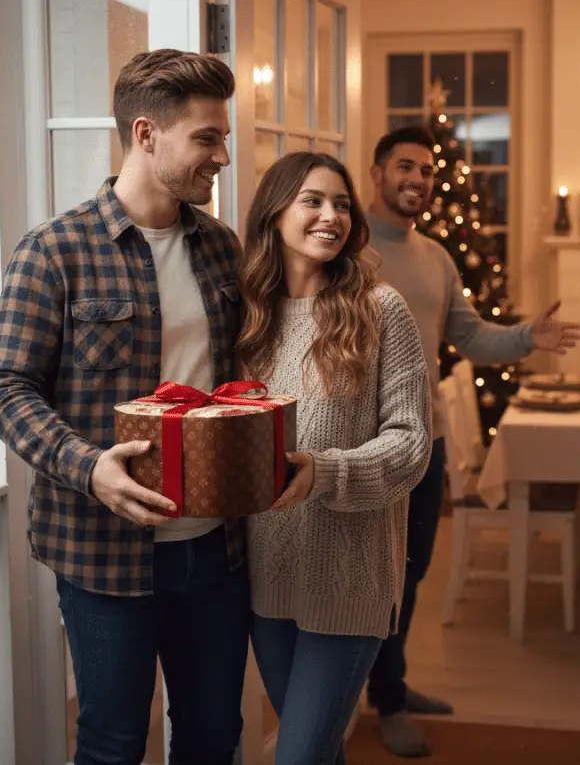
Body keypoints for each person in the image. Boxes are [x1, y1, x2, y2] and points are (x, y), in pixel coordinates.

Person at [0, 49, 250, 765]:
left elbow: (241, 379)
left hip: (215, 549)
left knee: (214, 737)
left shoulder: (223, 250)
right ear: (145, 134)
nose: (222, 156)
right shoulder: (53, 252)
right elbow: (5, 389)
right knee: (112, 743)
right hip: (102, 553)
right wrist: (88, 464)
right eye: (206, 138)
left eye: (221, 137)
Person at [362, 126, 580, 757]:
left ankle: (391, 686)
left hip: (425, 444)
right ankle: (383, 696)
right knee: (375, 580)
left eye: (426, 171)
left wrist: (525, 339)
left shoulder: (435, 256)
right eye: (405, 167)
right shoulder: (348, 254)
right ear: (376, 174)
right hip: (368, 449)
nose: (417, 179)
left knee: (411, 575)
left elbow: (467, 334)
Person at [237, 151, 433, 765]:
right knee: (318, 754)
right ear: (274, 214)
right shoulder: (249, 319)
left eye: (342, 204)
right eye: (313, 201)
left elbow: (410, 445)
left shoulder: (380, 310)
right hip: (267, 580)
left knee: (296, 757)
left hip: (349, 581)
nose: (332, 216)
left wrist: (327, 471)